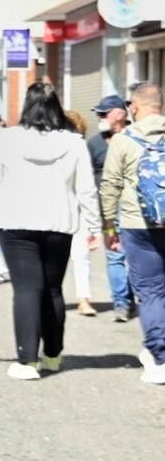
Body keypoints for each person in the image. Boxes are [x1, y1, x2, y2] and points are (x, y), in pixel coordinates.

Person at [0, 83, 100, 381]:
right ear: (56, 107)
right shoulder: (73, 142)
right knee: (52, 289)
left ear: (27, 106)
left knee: (27, 289)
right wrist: (94, 226)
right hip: (58, 223)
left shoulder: (8, 139)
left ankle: (27, 360)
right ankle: (52, 355)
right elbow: (86, 189)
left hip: (15, 223)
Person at [98, 82, 165, 384]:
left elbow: (109, 185)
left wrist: (109, 225)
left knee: (151, 292)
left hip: (138, 226)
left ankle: (160, 358)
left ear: (134, 108)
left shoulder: (123, 140)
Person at [90, 94, 135, 321]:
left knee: (138, 256)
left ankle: (141, 298)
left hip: (137, 210)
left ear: (119, 113)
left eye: (104, 113)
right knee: (115, 255)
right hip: (109, 211)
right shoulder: (95, 143)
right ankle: (122, 302)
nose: (100, 118)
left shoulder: (137, 137)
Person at [64, 111, 101, 317]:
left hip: (74, 211)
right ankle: (83, 300)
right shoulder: (76, 148)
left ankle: (83, 299)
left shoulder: (79, 149)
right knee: (81, 257)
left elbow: (86, 190)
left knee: (80, 255)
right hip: (69, 212)